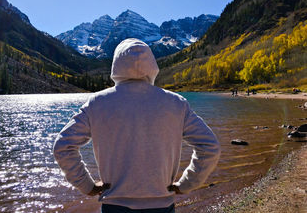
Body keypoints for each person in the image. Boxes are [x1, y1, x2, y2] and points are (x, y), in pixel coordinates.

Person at [53, 38, 221, 213]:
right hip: (162, 206)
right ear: (153, 67)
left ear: (116, 66)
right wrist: (186, 184)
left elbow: (63, 147)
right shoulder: (176, 103)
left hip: (114, 207)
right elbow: (209, 147)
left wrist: (87, 186)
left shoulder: (97, 103)